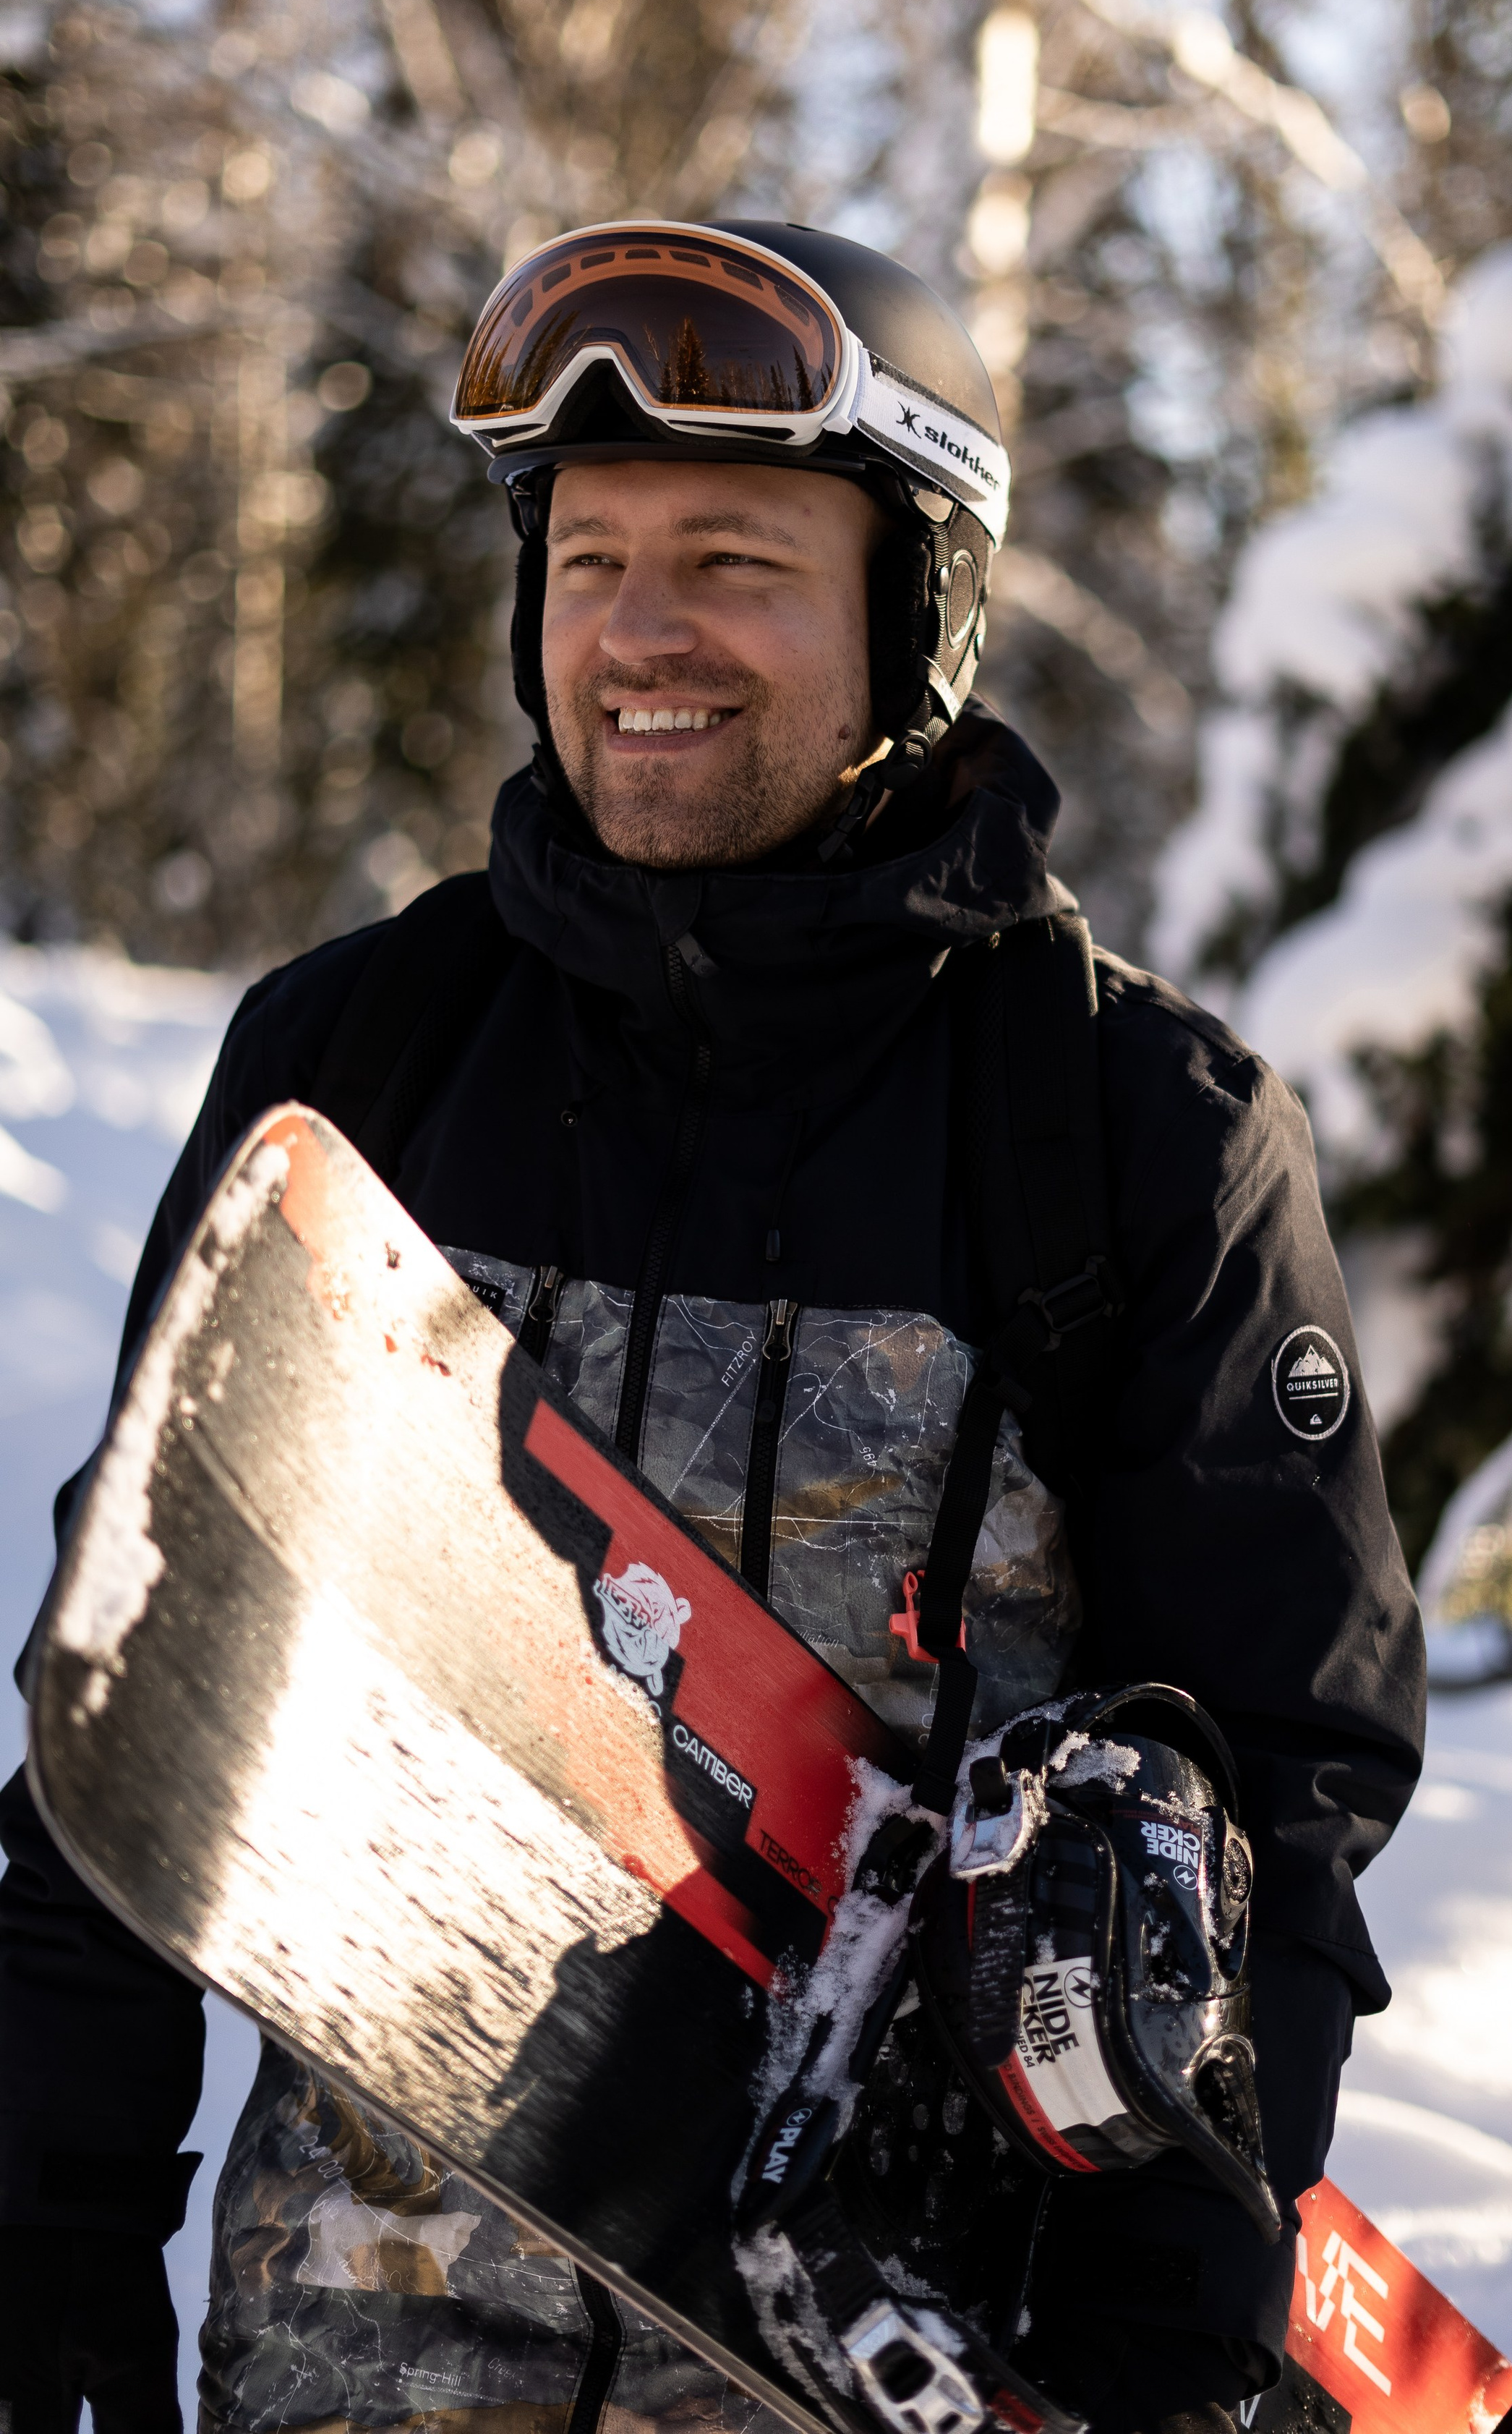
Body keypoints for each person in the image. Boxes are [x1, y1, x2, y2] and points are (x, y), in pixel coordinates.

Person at [0, 221, 1425, 2434]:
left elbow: (1283, 1809)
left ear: (917, 616)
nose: (642, 636)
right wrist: (45, 2221)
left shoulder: (1131, 1136)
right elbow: (147, 1677)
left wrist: (1173, 2325)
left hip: (883, 2369)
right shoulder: (364, 1057)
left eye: (735, 561)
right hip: (350, 2369)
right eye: (589, 564)